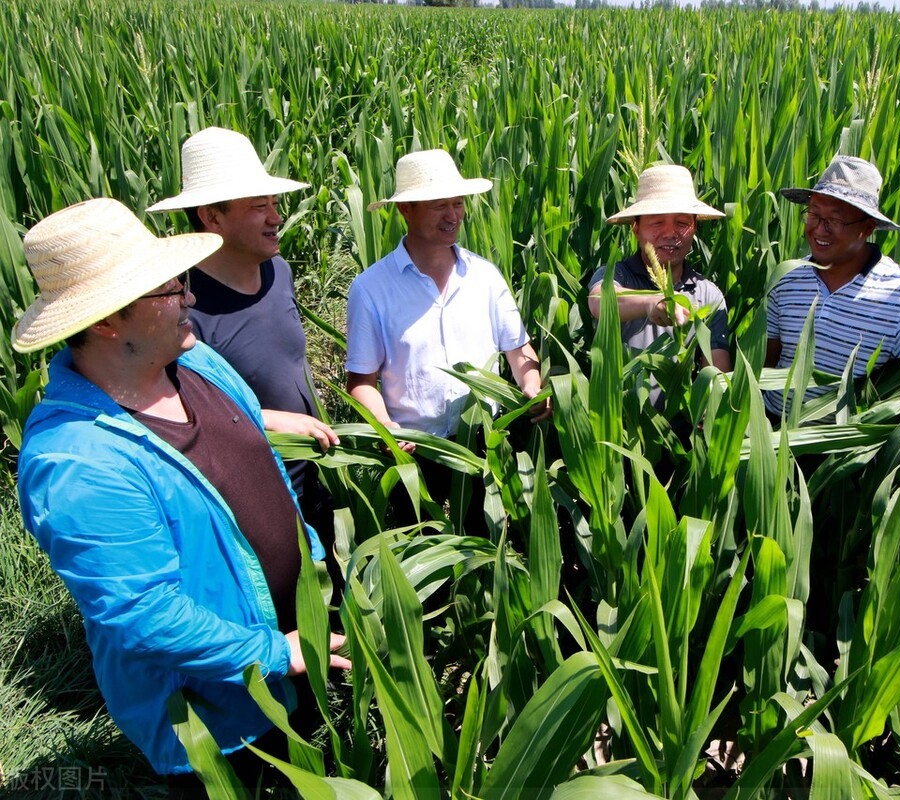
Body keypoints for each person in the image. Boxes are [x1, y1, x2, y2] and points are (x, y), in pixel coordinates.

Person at [13, 199, 350, 790]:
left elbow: (262, 462)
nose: (188, 297)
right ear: (107, 322)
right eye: (168, 290)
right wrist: (274, 652)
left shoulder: (194, 361)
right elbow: (144, 615)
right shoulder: (76, 460)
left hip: (291, 650)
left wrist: (312, 556)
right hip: (219, 715)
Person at [147, 127, 342, 596]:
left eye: (274, 203)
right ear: (212, 216)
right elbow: (180, 417)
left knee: (333, 594)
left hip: (315, 470)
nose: (277, 217)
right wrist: (272, 420)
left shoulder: (278, 271)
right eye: (259, 207)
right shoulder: (181, 306)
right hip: (254, 503)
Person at [345, 149, 548, 518]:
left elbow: (518, 351)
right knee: (421, 545)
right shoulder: (371, 288)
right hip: (411, 450)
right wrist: (386, 428)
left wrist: (531, 385)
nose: (453, 215)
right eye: (439, 205)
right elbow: (360, 380)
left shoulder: (485, 277)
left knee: (487, 543)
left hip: (484, 442)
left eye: (458, 203)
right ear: (406, 210)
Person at [765, 156, 900, 422]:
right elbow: (768, 359)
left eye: (834, 220)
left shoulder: (899, 294)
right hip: (768, 427)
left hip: (834, 447)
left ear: (867, 228)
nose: (818, 230)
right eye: (813, 214)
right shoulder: (788, 277)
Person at [587, 164, 732, 382]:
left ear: (694, 227)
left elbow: (717, 374)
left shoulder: (708, 295)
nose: (670, 233)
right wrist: (649, 303)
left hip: (681, 416)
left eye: (682, 222)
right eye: (657, 222)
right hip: (618, 414)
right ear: (636, 228)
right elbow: (600, 300)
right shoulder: (616, 276)